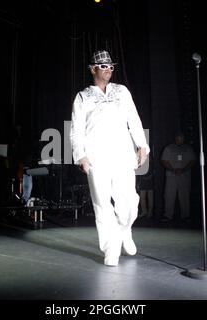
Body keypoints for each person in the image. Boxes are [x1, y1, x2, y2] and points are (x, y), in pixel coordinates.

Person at [70, 50, 149, 266]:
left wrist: (142, 145)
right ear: (93, 68)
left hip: (122, 154)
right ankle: (110, 249)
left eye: (111, 66)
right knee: (102, 204)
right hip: (96, 156)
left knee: (130, 203)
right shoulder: (83, 96)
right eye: (104, 66)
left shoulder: (122, 91)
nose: (109, 70)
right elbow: (76, 130)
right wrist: (81, 156)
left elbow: (134, 118)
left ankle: (124, 231)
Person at [161, 133, 195, 223]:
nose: (181, 139)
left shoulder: (188, 149)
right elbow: (164, 160)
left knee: (184, 196)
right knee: (169, 196)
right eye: (179, 138)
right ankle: (168, 215)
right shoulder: (169, 148)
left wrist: (183, 170)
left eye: (182, 138)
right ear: (176, 138)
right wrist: (173, 170)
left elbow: (192, 161)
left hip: (184, 176)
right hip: (171, 176)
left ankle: (186, 216)